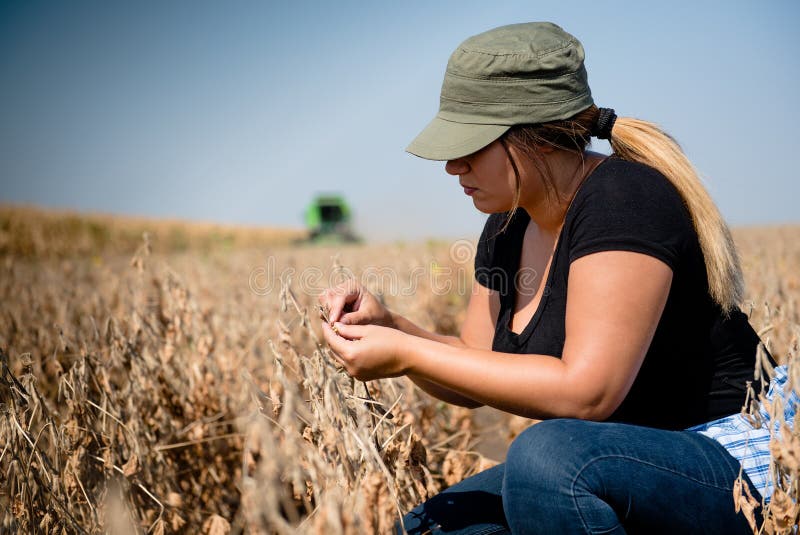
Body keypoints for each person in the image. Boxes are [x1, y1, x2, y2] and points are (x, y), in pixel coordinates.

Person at [318, 22, 789, 534]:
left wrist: (406, 354)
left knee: (549, 460)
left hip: (736, 461)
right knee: (434, 526)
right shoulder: (507, 224)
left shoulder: (623, 199)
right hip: (624, 461)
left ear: (534, 138)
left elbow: (589, 393)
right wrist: (392, 327)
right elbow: (473, 363)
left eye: (471, 146)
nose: (453, 166)